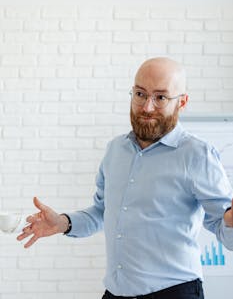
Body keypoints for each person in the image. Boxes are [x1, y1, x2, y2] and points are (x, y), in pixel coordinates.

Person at [17, 57, 233, 299]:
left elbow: (222, 227)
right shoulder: (115, 150)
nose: (147, 107)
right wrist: (63, 223)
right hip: (115, 294)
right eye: (140, 94)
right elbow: (102, 212)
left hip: (174, 293)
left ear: (181, 102)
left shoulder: (198, 155)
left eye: (160, 97)